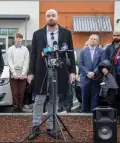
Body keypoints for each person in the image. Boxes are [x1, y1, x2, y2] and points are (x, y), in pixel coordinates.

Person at [27, 9, 76, 140]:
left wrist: (72, 71)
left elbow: (70, 53)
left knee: (54, 100)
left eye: (53, 15)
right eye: (48, 16)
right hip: (42, 71)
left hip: (59, 70)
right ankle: (36, 127)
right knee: (39, 99)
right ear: (45, 18)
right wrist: (30, 72)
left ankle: (51, 127)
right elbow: (33, 55)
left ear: (57, 17)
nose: (51, 18)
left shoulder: (66, 33)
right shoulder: (37, 34)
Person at [78, 34, 105, 113]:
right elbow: (80, 64)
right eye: (91, 38)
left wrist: (94, 72)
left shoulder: (101, 51)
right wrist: (87, 73)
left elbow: (102, 63)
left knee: (95, 95)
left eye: (95, 39)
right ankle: (84, 111)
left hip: (96, 77)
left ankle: (93, 112)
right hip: (85, 77)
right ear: (88, 40)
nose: (93, 40)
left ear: (98, 42)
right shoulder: (83, 51)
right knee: (84, 95)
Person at [7, 32, 29, 112]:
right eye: (17, 37)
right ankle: (15, 106)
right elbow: (10, 61)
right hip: (14, 72)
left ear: (22, 39)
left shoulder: (25, 49)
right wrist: (14, 73)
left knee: (21, 91)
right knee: (15, 91)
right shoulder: (10, 49)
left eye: (20, 37)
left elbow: (26, 61)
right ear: (14, 38)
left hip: (23, 71)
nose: (18, 39)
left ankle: (20, 106)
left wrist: (23, 73)